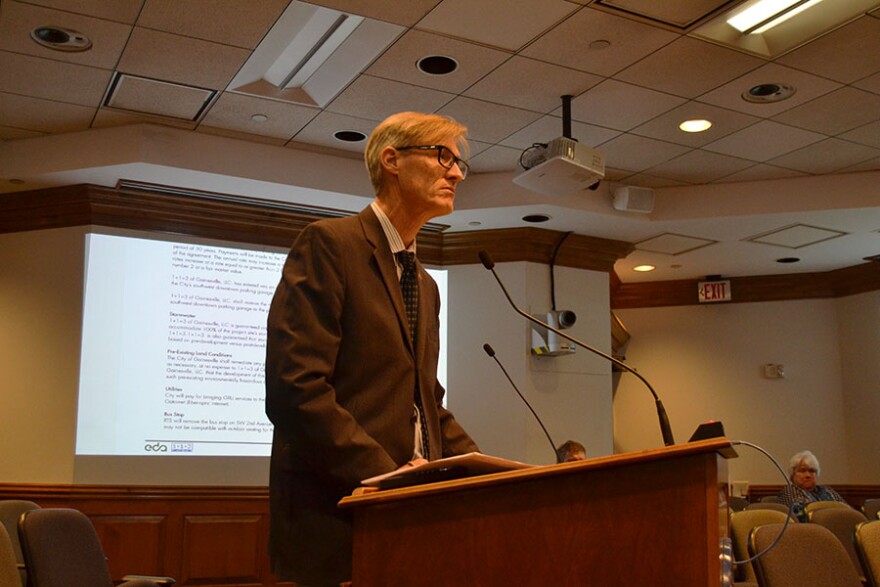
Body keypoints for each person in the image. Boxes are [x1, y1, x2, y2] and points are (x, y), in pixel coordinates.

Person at [264, 111, 480, 587]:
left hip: (407, 523)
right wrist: (388, 480)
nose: (457, 172)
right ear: (392, 160)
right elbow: (295, 390)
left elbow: (425, 402)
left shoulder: (424, 283)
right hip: (339, 520)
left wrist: (485, 473)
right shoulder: (329, 245)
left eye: (460, 162)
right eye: (443, 155)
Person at [776, 450, 847, 521]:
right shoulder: (789, 491)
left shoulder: (827, 490)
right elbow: (803, 515)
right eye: (802, 471)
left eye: (812, 471)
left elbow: (847, 510)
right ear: (792, 475)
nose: (808, 475)